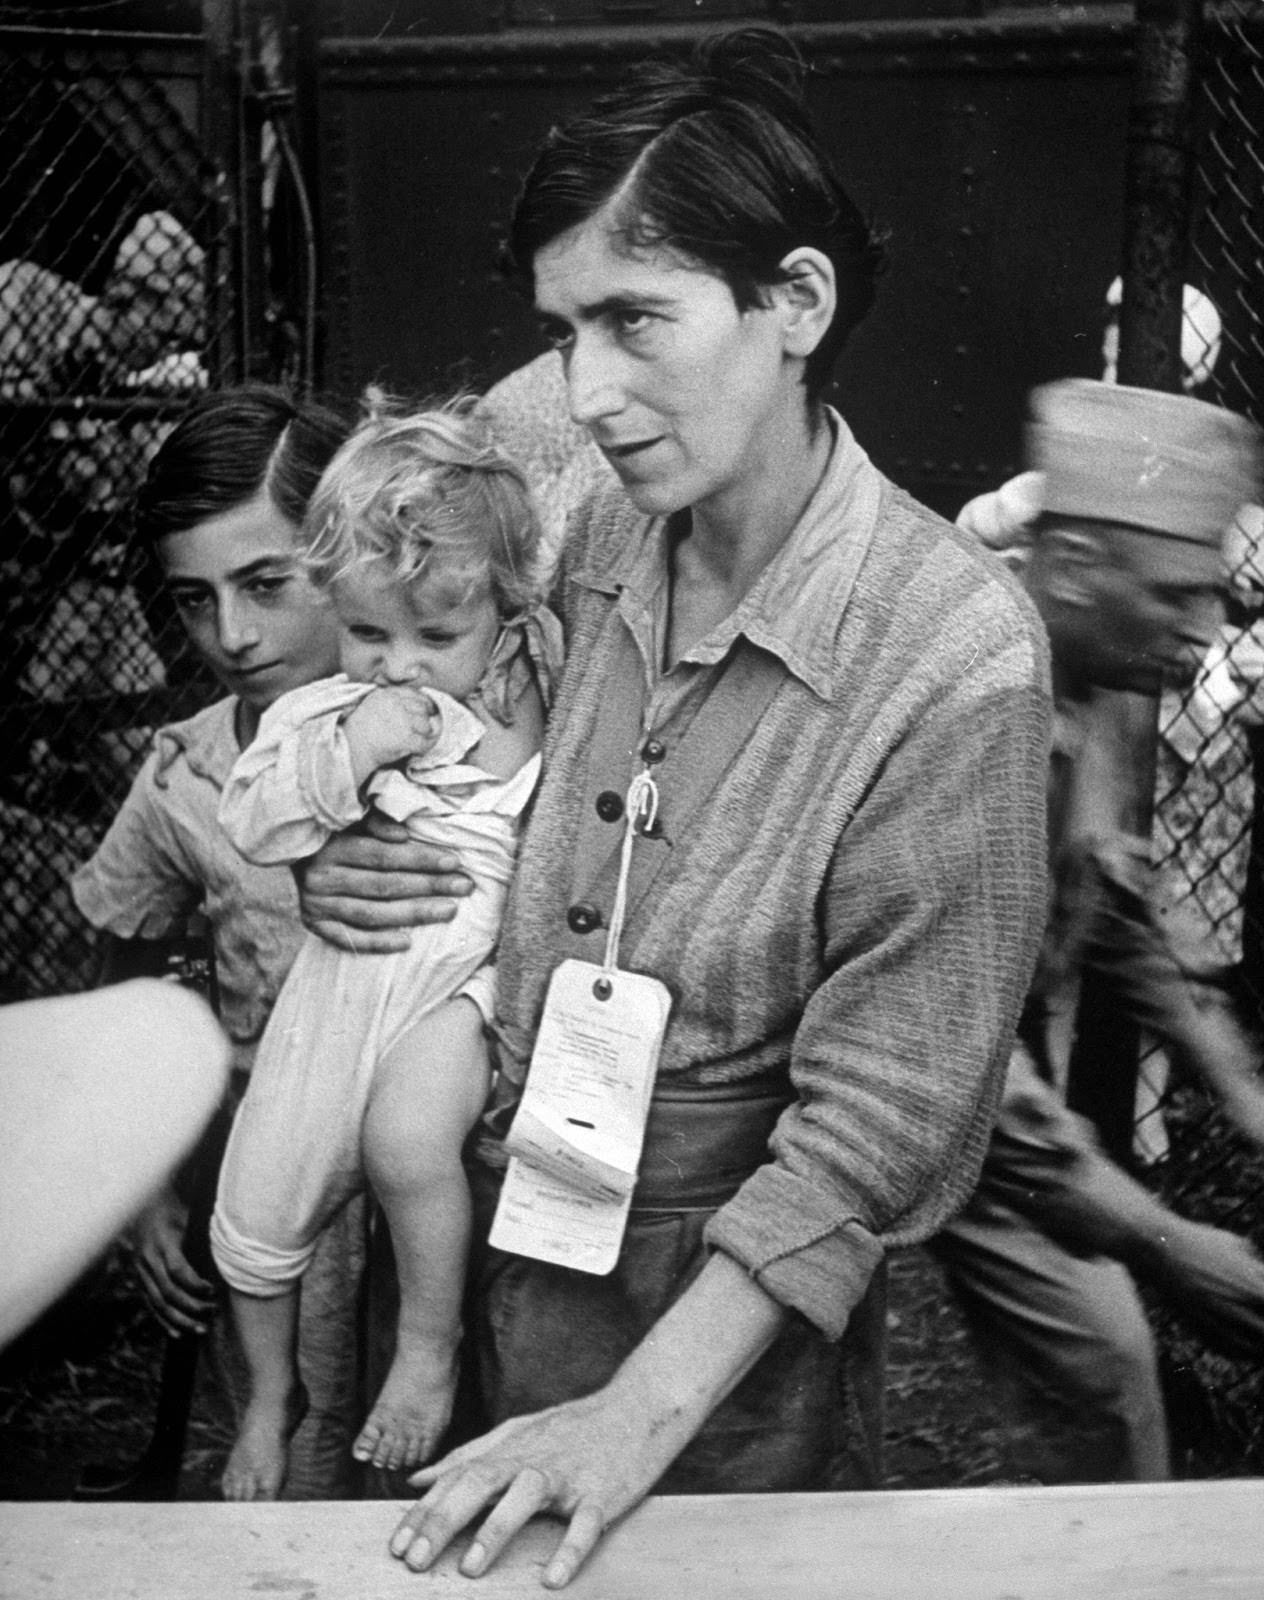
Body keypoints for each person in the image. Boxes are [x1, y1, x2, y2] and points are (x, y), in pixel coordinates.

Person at [298, 28, 1051, 1586]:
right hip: (463, 1200)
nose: (588, 387)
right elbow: (376, 665)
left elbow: (879, 1127)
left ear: (797, 304)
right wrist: (349, 847)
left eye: (636, 319)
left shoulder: (952, 650)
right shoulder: (549, 476)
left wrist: (634, 1418)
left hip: (712, 1329)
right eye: (564, 328)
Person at [209, 402, 562, 1500]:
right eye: (368, 634)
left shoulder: (545, 679)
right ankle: (273, 1397)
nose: (397, 666)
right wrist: (347, 753)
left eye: (431, 638)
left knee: (408, 1137)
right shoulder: (328, 708)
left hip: (460, 984)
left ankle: (425, 1351)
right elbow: (255, 818)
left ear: (508, 618)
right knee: (255, 1212)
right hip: (345, 985)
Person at [931, 377, 1264, 1483]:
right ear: (1072, 569)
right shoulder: (967, 692)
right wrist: (1170, 1244)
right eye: (1178, 597)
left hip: (979, 1069)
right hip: (868, 1076)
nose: (1205, 631)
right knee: (1108, 1359)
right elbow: (953, 1047)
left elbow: (1107, 890)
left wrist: (1239, 1086)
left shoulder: (1110, 660)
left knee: (1103, 1382)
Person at [69, 384, 371, 1500]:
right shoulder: (187, 774)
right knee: (292, 1461)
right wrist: (142, 1189)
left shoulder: (470, 733)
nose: (233, 637)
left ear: (349, 546)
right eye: (195, 601)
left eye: (266, 585)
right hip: (275, 1196)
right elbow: (122, 990)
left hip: (444, 1184)